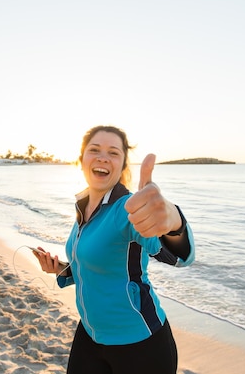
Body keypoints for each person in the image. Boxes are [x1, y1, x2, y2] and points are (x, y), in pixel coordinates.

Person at [32, 125, 195, 374]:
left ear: (122, 166)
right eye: (94, 150)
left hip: (140, 343)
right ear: (81, 160)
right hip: (89, 334)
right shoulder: (83, 206)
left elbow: (177, 257)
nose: (102, 157)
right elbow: (95, 267)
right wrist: (63, 270)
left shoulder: (128, 210)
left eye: (113, 153)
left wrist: (174, 222)